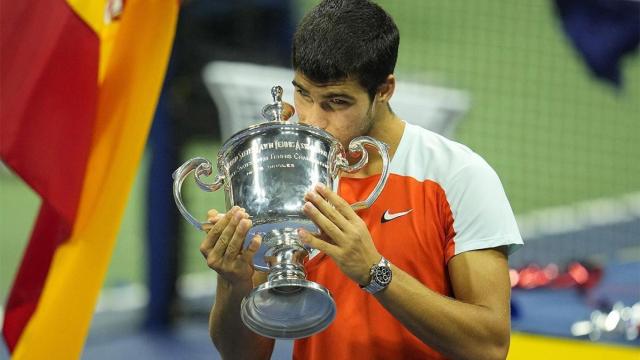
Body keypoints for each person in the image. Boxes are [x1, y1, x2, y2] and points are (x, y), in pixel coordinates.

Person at [199, 0, 523, 359]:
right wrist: (235, 284)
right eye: (303, 93)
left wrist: (374, 271)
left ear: (384, 90)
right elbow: (242, 354)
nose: (312, 121)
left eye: (336, 102)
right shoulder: (285, 171)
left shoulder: (458, 176)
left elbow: (490, 347)